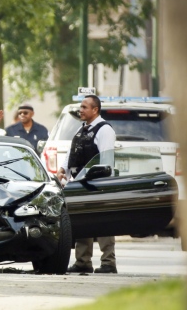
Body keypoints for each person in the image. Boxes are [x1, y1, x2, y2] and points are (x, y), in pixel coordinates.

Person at [57, 95, 117, 274]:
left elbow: (106, 159)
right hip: (81, 184)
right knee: (83, 222)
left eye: (84, 107)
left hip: (99, 183)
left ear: (95, 110)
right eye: (80, 107)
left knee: (104, 223)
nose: (80, 110)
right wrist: (63, 170)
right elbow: (72, 153)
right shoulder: (82, 129)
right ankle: (83, 262)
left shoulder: (104, 130)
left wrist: (102, 183)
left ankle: (108, 262)